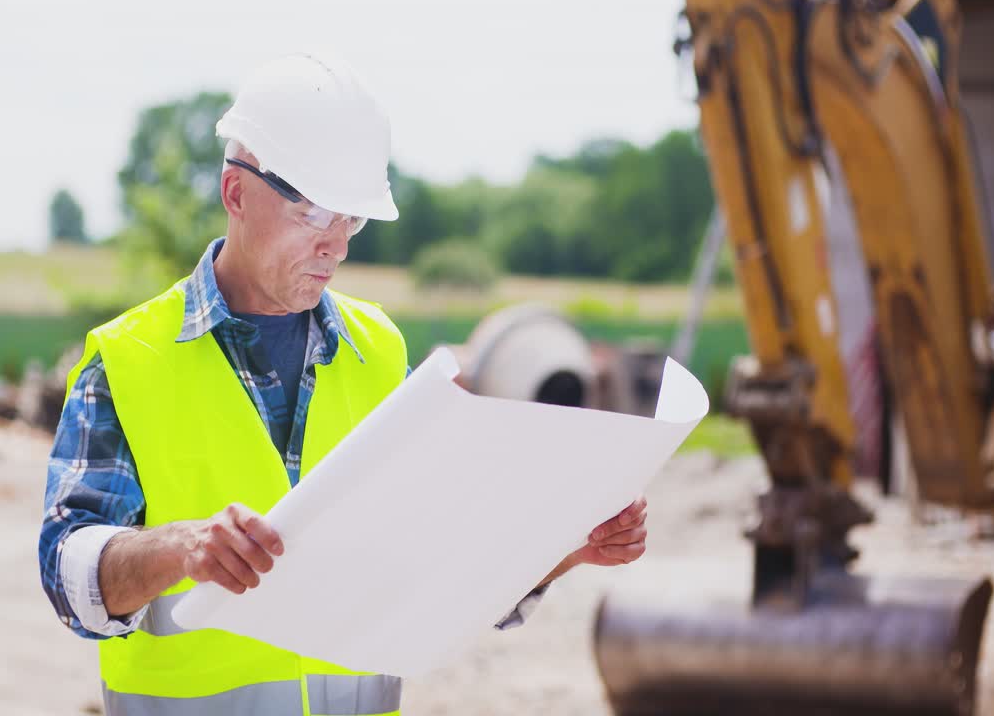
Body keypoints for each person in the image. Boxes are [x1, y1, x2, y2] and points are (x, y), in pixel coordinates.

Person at [38, 52, 649, 716]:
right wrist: (180, 547)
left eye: (351, 218)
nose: (336, 245)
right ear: (236, 193)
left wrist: (561, 549)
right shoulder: (131, 361)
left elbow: (436, 570)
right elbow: (68, 576)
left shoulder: (378, 351)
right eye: (313, 213)